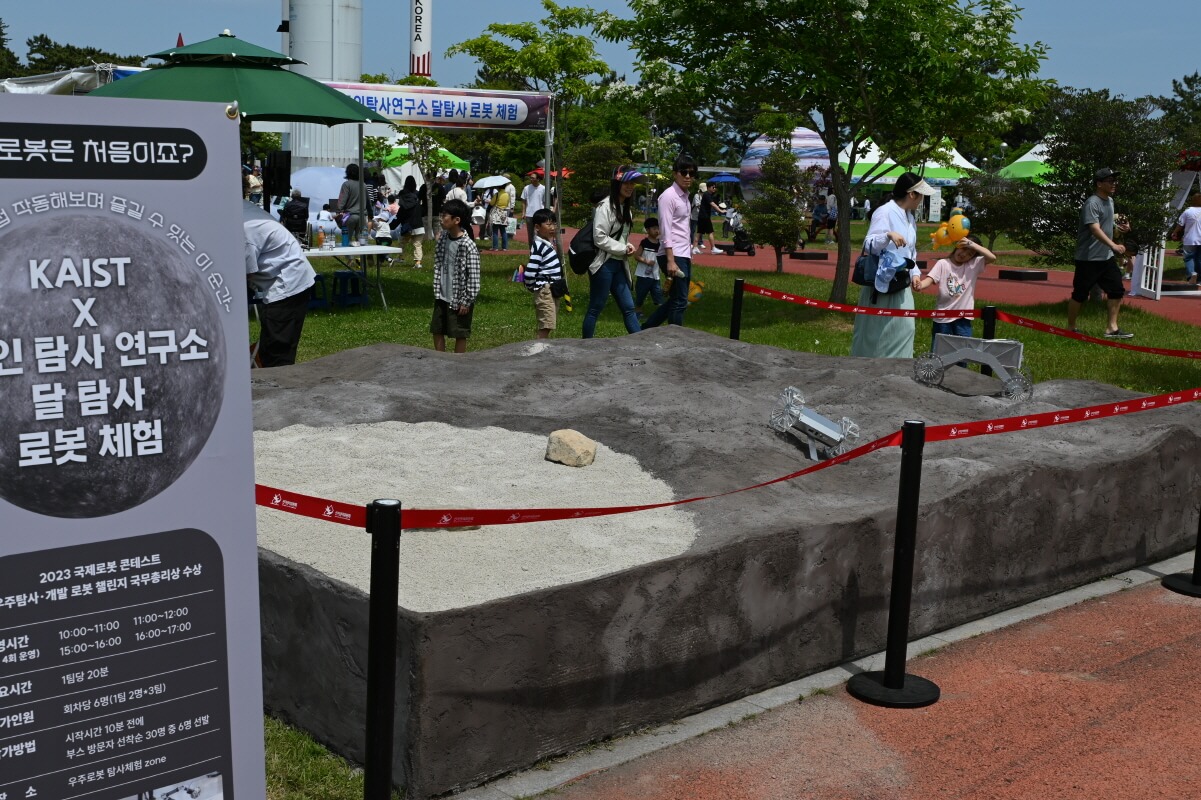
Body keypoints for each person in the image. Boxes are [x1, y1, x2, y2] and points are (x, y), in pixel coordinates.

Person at [850, 172, 934, 358]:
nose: (921, 201)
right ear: (912, 194)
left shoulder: (910, 217)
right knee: (876, 332)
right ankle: (870, 367)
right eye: (920, 196)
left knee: (905, 328)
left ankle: (900, 367)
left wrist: (915, 274)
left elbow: (910, 251)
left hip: (901, 281)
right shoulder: (885, 212)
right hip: (882, 284)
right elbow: (868, 244)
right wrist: (887, 235)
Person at [243, 200, 316, 368]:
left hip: (288, 285)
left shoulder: (244, 227)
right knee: (273, 347)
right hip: (287, 280)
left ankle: (280, 391)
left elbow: (245, 273)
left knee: (277, 353)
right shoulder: (242, 210)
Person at [1067, 168, 1134, 339]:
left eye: (1114, 181)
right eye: (1110, 181)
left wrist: (1121, 227)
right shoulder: (1092, 203)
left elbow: (1107, 222)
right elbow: (1094, 228)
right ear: (1099, 184)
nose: (1114, 184)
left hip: (1106, 257)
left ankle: (1112, 328)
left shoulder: (1110, 201)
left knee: (1117, 290)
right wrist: (1113, 245)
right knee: (1080, 294)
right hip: (1088, 258)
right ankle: (1071, 327)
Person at [582, 166, 646, 338]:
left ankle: (641, 345)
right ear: (617, 183)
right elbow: (599, 237)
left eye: (633, 183)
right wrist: (623, 248)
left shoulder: (626, 208)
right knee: (596, 307)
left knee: (629, 307)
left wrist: (627, 246)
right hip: (603, 265)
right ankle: (585, 346)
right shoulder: (606, 207)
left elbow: (620, 237)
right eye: (626, 182)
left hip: (618, 263)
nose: (630, 186)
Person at [914, 235, 997, 347]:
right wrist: (920, 285)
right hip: (942, 317)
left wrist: (971, 244)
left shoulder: (973, 265)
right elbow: (930, 279)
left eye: (970, 254)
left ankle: (960, 366)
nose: (964, 255)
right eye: (963, 249)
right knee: (940, 352)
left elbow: (992, 257)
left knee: (963, 353)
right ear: (957, 246)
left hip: (963, 318)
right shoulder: (943, 263)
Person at [643, 155, 697, 329]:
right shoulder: (669, 196)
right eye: (684, 172)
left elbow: (682, 228)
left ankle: (646, 329)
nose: (688, 176)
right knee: (681, 300)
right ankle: (675, 337)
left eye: (691, 173)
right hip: (672, 254)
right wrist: (671, 260)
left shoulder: (685, 197)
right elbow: (665, 229)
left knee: (677, 298)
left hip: (683, 253)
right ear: (675, 174)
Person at [431, 198, 480, 354]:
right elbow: (439, 262)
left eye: (445, 215)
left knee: (460, 333)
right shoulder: (444, 238)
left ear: (456, 220)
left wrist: (466, 300)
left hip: (459, 298)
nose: (441, 218)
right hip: (442, 294)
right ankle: (440, 359)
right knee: (437, 329)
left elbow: (473, 276)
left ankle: (458, 365)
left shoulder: (468, 245)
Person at [524, 208, 563, 339]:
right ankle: (538, 350)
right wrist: (531, 286)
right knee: (546, 325)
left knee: (549, 323)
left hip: (551, 289)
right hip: (545, 290)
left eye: (554, 224)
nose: (552, 227)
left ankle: (541, 348)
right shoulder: (539, 246)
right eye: (548, 224)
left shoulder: (547, 244)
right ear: (537, 227)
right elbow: (529, 271)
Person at [633, 216, 665, 315]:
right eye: (654, 228)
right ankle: (638, 309)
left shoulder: (660, 244)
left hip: (655, 275)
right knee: (641, 293)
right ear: (647, 230)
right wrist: (646, 261)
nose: (656, 231)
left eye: (658, 228)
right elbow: (636, 256)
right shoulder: (645, 243)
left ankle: (661, 311)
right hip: (643, 275)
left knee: (658, 293)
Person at [1170, 192, 1201, 284]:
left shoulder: (1188, 211)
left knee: (1189, 258)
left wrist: (1175, 232)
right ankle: (1199, 279)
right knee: (1199, 259)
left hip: (1190, 239)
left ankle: (1192, 275)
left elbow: (1180, 224)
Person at [396, 176, 426, 268]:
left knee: (402, 242)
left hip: (408, 225)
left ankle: (400, 257)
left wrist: (394, 223)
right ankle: (418, 262)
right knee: (417, 244)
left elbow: (401, 213)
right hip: (418, 223)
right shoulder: (417, 196)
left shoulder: (403, 197)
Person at [336, 163, 367, 242]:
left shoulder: (346, 185)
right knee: (362, 241)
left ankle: (349, 255)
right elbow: (368, 202)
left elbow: (342, 201)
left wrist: (339, 211)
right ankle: (363, 254)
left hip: (350, 216)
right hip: (362, 217)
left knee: (347, 240)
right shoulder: (363, 185)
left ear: (347, 173)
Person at [519, 172, 546, 247]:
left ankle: (539, 248)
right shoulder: (526, 188)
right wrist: (523, 212)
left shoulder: (543, 188)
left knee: (539, 233)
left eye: (533, 178)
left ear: (538, 179)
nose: (531, 179)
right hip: (529, 214)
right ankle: (531, 250)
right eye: (530, 177)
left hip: (540, 214)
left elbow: (545, 201)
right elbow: (523, 201)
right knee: (530, 234)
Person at [697, 183, 722, 252]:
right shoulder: (707, 195)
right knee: (710, 232)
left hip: (702, 216)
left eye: (715, 187)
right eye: (713, 187)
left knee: (699, 233)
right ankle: (713, 248)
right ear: (708, 187)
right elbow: (713, 204)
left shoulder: (708, 195)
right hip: (705, 216)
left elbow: (714, 203)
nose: (714, 188)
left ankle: (694, 248)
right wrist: (720, 211)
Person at [487, 183, 512, 251]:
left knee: (495, 230)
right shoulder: (507, 194)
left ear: (499, 187)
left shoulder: (497, 194)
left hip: (496, 212)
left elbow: (492, 203)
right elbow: (507, 203)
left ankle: (495, 247)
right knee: (503, 230)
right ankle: (505, 247)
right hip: (504, 212)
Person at [690, 181, 705, 252]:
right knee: (692, 229)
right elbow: (697, 204)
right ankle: (691, 242)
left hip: (701, 216)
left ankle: (700, 242)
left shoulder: (704, 196)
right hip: (694, 215)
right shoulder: (697, 195)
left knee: (700, 230)